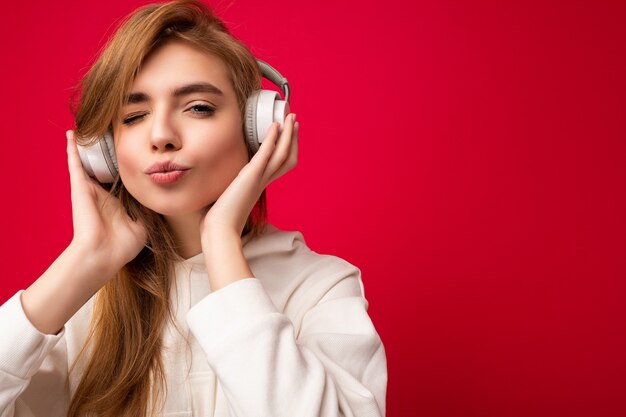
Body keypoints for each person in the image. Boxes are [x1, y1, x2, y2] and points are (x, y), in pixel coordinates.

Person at [0, 0, 387, 416]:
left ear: (256, 128)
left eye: (198, 107)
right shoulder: (80, 304)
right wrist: (83, 262)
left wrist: (220, 240)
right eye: (134, 116)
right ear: (105, 153)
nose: (161, 134)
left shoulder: (320, 288)